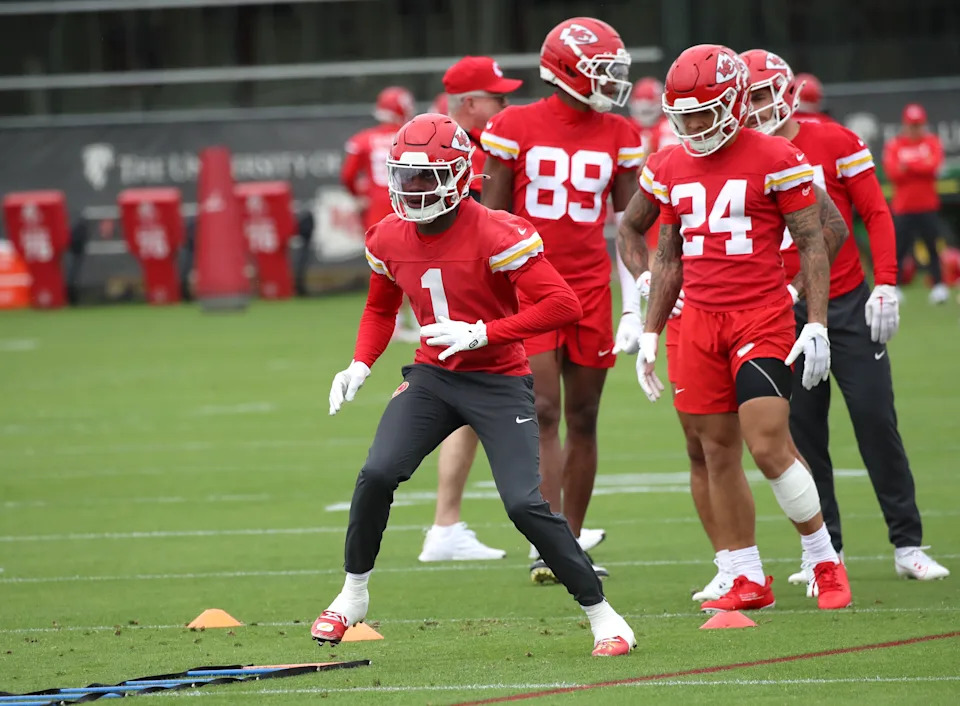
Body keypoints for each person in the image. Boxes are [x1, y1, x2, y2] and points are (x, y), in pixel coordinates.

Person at [311, 113, 636, 657]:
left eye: (426, 177)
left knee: (523, 504)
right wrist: (359, 365)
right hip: (434, 378)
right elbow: (379, 308)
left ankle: (604, 617)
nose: (412, 190)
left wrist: (484, 331)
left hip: (498, 379)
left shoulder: (495, 230)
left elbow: (563, 304)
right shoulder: (388, 234)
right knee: (376, 472)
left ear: (461, 175)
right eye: (405, 176)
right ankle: (352, 595)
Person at [637, 44, 852, 612]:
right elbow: (667, 255)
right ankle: (745, 575)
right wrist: (651, 330)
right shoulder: (667, 164)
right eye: (682, 113)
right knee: (715, 450)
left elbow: (813, 238)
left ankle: (824, 558)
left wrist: (817, 322)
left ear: (733, 103)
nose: (692, 125)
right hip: (699, 319)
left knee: (767, 442)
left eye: (703, 112)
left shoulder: (776, 154)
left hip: (760, 313)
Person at [739, 49, 950, 587]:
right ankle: (824, 550)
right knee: (805, 434)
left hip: (846, 300)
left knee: (876, 420)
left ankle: (907, 542)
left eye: (765, 93)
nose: (758, 105)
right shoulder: (737, 153)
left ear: (787, 90)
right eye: (750, 94)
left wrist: (885, 283)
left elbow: (876, 211)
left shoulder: (834, 139)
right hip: (782, 307)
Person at [479, 17, 645, 583]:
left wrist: (632, 306)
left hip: (593, 289)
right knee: (544, 410)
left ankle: (572, 537)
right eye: (602, 70)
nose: (612, 82)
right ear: (566, 70)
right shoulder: (514, 124)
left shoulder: (620, 132)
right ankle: (547, 541)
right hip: (531, 285)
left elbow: (629, 225)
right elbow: (489, 219)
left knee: (585, 416)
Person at [417, 55, 524, 563]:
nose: (505, 105)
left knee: (470, 405)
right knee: (487, 395)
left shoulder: (473, 143)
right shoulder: (444, 148)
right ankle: (450, 524)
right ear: (468, 103)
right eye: (496, 97)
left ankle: (447, 524)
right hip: (459, 282)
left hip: (473, 279)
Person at [341, 86, 419, 341]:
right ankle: (419, 320)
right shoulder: (412, 136)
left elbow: (348, 175)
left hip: (376, 210)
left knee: (384, 268)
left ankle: (392, 323)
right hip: (409, 206)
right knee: (418, 262)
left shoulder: (363, 139)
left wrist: (359, 195)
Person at [883, 103, 949, 304]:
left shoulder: (932, 142)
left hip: (928, 205)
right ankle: (896, 287)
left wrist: (909, 166)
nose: (914, 129)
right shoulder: (895, 145)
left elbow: (934, 166)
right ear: (905, 124)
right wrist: (920, 165)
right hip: (903, 206)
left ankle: (939, 285)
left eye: (918, 125)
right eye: (911, 125)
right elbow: (893, 172)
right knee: (900, 249)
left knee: (932, 245)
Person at [629, 76, 681, 157]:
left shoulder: (669, 127)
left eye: (648, 110)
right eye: (643, 111)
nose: (644, 111)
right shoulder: (626, 127)